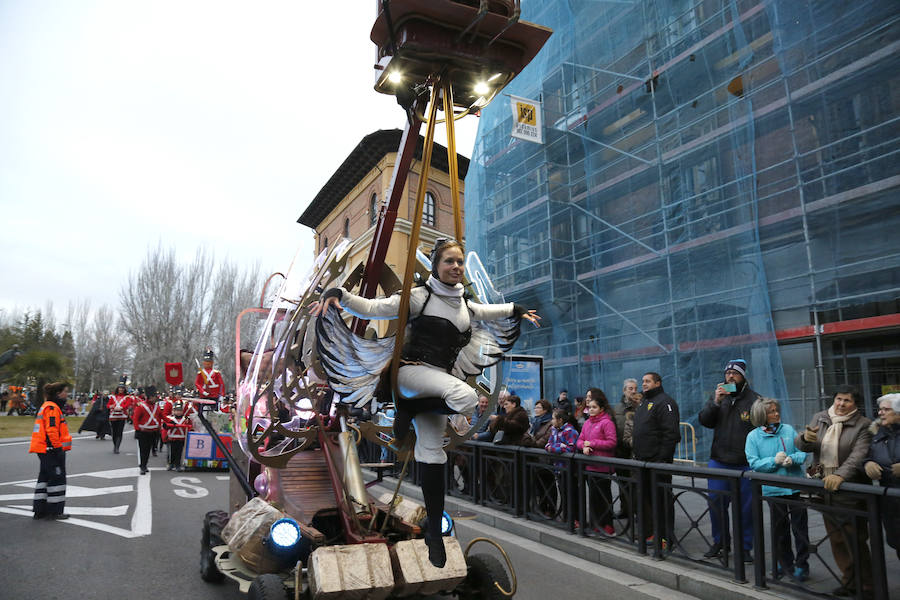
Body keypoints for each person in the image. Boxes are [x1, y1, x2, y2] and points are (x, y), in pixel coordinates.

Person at [312, 237, 540, 568]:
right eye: (449, 261)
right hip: (410, 375)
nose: (457, 267)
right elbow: (376, 307)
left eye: (460, 262)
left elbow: (488, 311)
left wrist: (515, 310)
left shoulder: (465, 305)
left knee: (433, 453)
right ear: (436, 265)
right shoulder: (419, 297)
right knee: (465, 396)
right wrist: (340, 296)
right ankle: (407, 407)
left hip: (435, 386)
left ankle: (434, 532)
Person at [796, 385, 873, 597]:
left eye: (847, 401)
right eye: (838, 399)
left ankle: (867, 586)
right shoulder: (820, 417)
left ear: (855, 404)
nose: (841, 404)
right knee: (836, 539)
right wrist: (804, 439)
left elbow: (858, 456)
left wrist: (840, 475)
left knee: (854, 539)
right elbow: (803, 446)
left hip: (849, 489)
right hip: (823, 487)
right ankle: (848, 582)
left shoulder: (865, 425)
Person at [697, 359, 761, 561]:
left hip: (745, 463)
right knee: (716, 504)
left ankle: (744, 547)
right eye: (727, 373)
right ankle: (720, 543)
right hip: (719, 460)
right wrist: (715, 401)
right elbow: (705, 421)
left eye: (735, 373)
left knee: (745, 509)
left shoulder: (755, 399)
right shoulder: (719, 397)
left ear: (743, 377)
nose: (730, 376)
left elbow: (762, 428)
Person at [745, 398, 809, 581]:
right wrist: (773, 461)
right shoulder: (753, 437)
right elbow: (754, 463)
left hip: (795, 487)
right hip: (773, 489)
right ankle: (784, 563)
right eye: (772, 411)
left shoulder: (788, 430)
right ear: (762, 415)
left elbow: (802, 452)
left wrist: (793, 459)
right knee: (780, 531)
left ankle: (802, 565)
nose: (776, 413)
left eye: (776, 410)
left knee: (800, 530)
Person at [632, 372, 680, 547]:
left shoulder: (665, 402)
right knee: (646, 500)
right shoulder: (645, 402)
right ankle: (650, 533)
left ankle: (665, 537)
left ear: (658, 383)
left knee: (661, 500)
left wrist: (661, 459)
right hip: (642, 461)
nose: (643, 384)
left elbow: (671, 434)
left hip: (657, 463)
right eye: (642, 381)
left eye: (647, 381)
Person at [863, 393, 900, 561]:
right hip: (890, 503)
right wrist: (867, 463)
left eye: (886, 409)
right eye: (880, 409)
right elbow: (867, 455)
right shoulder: (876, 433)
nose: (880, 413)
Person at [29, 382, 72, 520]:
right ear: (58, 393)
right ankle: (55, 511)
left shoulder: (47, 406)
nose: (67, 394)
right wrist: (58, 447)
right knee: (57, 478)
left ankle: (40, 510)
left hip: (44, 449)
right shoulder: (52, 408)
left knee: (44, 478)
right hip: (51, 449)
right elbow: (52, 430)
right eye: (65, 391)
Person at [577, 389, 617, 535]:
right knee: (593, 497)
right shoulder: (587, 423)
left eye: (594, 407)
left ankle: (607, 524)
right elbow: (579, 440)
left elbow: (612, 442)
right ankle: (595, 523)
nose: (591, 410)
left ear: (601, 408)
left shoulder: (607, 422)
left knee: (604, 497)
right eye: (590, 407)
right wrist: (584, 446)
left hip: (603, 465)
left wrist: (592, 443)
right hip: (590, 465)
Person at [613, 378, 640, 519]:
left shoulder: (640, 406)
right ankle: (625, 509)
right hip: (621, 451)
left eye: (635, 388)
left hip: (634, 451)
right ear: (624, 390)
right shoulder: (617, 408)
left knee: (635, 484)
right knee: (622, 482)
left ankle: (637, 512)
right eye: (630, 388)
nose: (633, 391)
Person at [132, 385, 162, 475]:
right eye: (154, 397)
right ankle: (142, 466)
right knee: (143, 450)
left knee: (148, 450)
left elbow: (161, 416)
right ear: (150, 397)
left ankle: (145, 464)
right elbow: (135, 418)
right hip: (143, 432)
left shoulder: (156, 407)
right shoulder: (141, 406)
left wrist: (171, 422)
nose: (155, 399)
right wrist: (137, 429)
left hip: (153, 431)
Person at [161, 400, 192, 471]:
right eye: (176, 410)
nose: (178, 412)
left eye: (180, 410)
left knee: (179, 453)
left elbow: (190, 426)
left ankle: (177, 465)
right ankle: (170, 464)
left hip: (181, 439)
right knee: (171, 453)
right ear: (173, 411)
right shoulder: (170, 419)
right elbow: (165, 428)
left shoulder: (186, 419)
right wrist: (164, 438)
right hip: (171, 439)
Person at [107, 383, 134, 454]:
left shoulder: (127, 397)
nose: (121, 389)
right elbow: (108, 405)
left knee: (119, 432)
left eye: (122, 388)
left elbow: (128, 404)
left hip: (122, 416)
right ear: (117, 389)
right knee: (114, 432)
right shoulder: (113, 397)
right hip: (113, 416)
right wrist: (112, 406)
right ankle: (115, 445)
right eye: (120, 388)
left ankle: (117, 447)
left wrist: (122, 407)